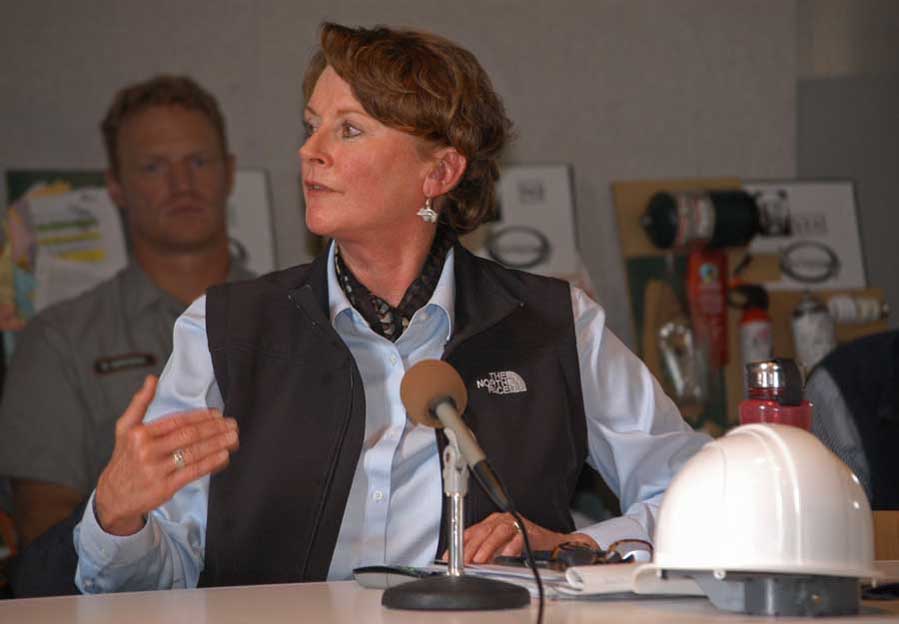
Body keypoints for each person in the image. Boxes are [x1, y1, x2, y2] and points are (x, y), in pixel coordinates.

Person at [74, 23, 710, 593]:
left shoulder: (552, 324)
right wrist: (117, 516)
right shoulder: (224, 330)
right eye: (311, 124)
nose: (309, 150)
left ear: (439, 173)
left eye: (348, 129)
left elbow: (702, 494)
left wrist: (580, 545)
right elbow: (155, 581)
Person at [0, 75, 253, 591]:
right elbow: (43, 535)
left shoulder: (298, 318)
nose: (181, 185)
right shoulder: (60, 339)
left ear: (228, 173)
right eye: (154, 167)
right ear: (115, 185)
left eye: (198, 162)